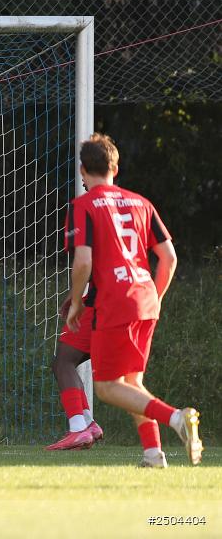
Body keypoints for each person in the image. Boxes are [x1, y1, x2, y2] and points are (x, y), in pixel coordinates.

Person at [65, 133, 202, 467]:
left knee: (107, 387)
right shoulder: (142, 203)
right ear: (115, 167)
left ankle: (176, 418)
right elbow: (169, 258)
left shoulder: (83, 206)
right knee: (132, 383)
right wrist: (156, 296)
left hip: (114, 302)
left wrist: (76, 301)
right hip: (146, 298)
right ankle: (153, 454)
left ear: (83, 170)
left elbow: (83, 263)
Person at [45, 291, 103, 451]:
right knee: (64, 363)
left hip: (98, 305)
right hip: (130, 308)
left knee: (63, 363)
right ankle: (88, 424)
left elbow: (84, 272)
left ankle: (78, 429)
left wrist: (74, 299)